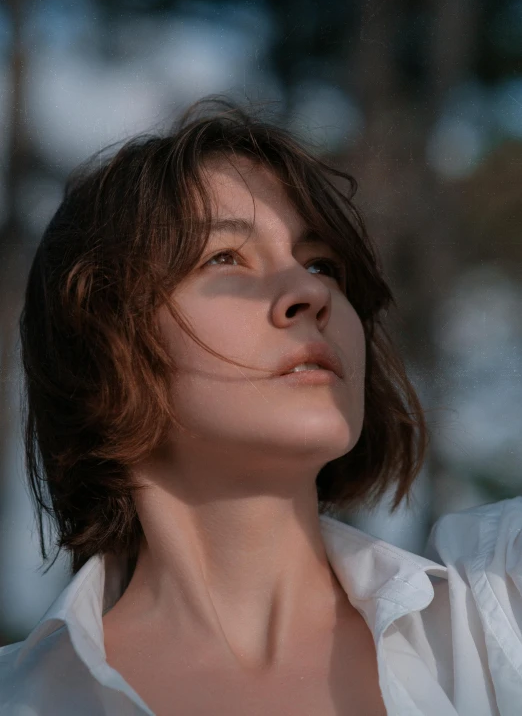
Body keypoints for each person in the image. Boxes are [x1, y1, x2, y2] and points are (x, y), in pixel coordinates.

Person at [0, 97, 521, 716]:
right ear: (103, 345)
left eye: (322, 263)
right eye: (224, 257)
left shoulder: (498, 610)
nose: (309, 291)